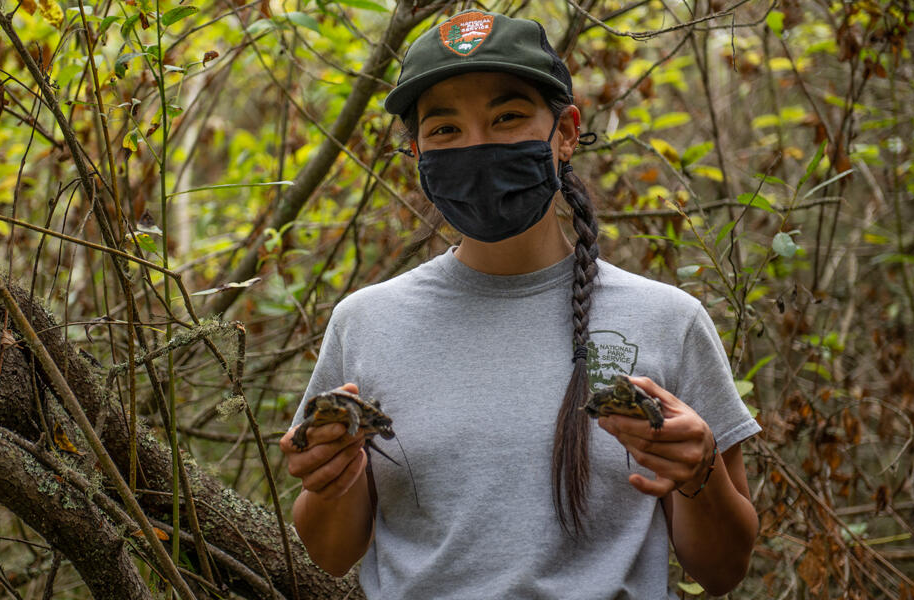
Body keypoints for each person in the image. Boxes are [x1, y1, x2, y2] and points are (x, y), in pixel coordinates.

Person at [279, 9, 760, 598]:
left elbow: (723, 568)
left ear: (565, 132)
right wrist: (331, 479)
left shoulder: (666, 320)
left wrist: (701, 472)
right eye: (446, 130)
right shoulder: (367, 322)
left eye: (506, 117)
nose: (477, 146)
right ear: (415, 152)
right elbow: (330, 554)